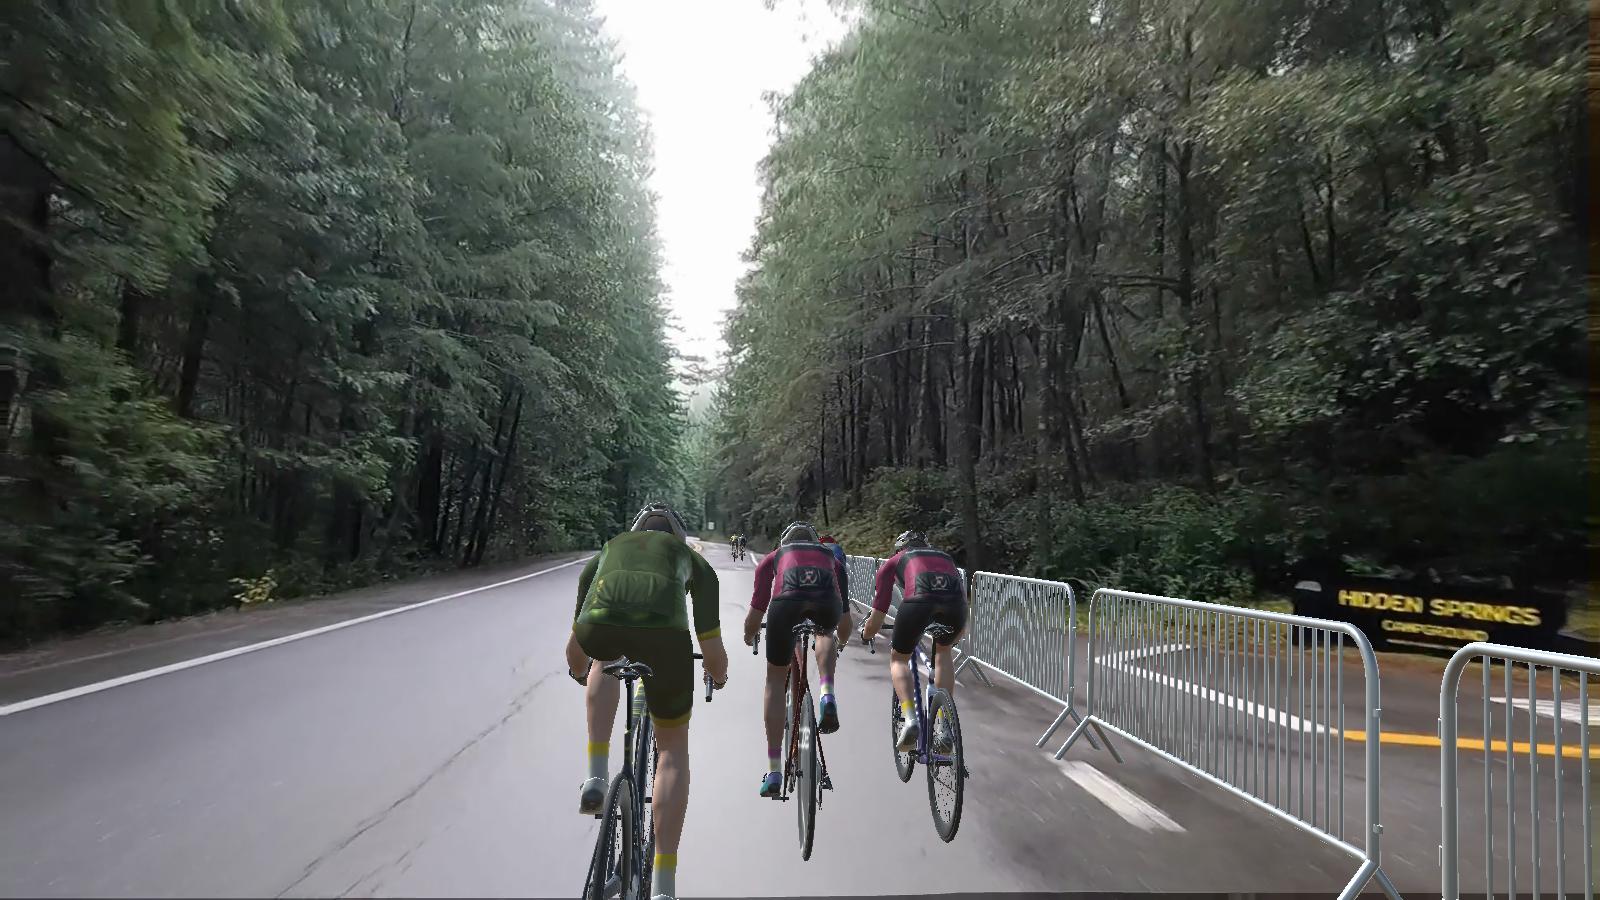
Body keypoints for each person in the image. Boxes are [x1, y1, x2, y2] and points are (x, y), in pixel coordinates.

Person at [565, 502, 729, 900]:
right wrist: (718, 676)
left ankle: (596, 777)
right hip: (665, 640)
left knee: (602, 661)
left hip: (599, 630)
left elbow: (575, 647)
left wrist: (579, 673)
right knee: (672, 750)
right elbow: (712, 649)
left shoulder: (609, 549)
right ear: (679, 538)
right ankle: (664, 886)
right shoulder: (691, 559)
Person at [741, 521, 852, 798]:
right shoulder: (832, 560)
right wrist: (841, 643)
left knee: (774, 681)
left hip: (785, 606)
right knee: (825, 633)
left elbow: (755, 613)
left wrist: (749, 636)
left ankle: (774, 771)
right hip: (826, 603)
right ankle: (827, 693)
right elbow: (846, 621)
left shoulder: (774, 557)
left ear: (784, 543)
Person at [861, 530, 967, 753]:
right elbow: (961, 604)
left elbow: (878, 615)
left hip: (917, 605)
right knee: (944, 652)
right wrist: (952, 639)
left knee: (899, 659)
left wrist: (867, 634)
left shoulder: (894, 561)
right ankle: (945, 727)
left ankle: (910, 719)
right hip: (956, 609)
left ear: (899, 548)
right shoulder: (945, 558)